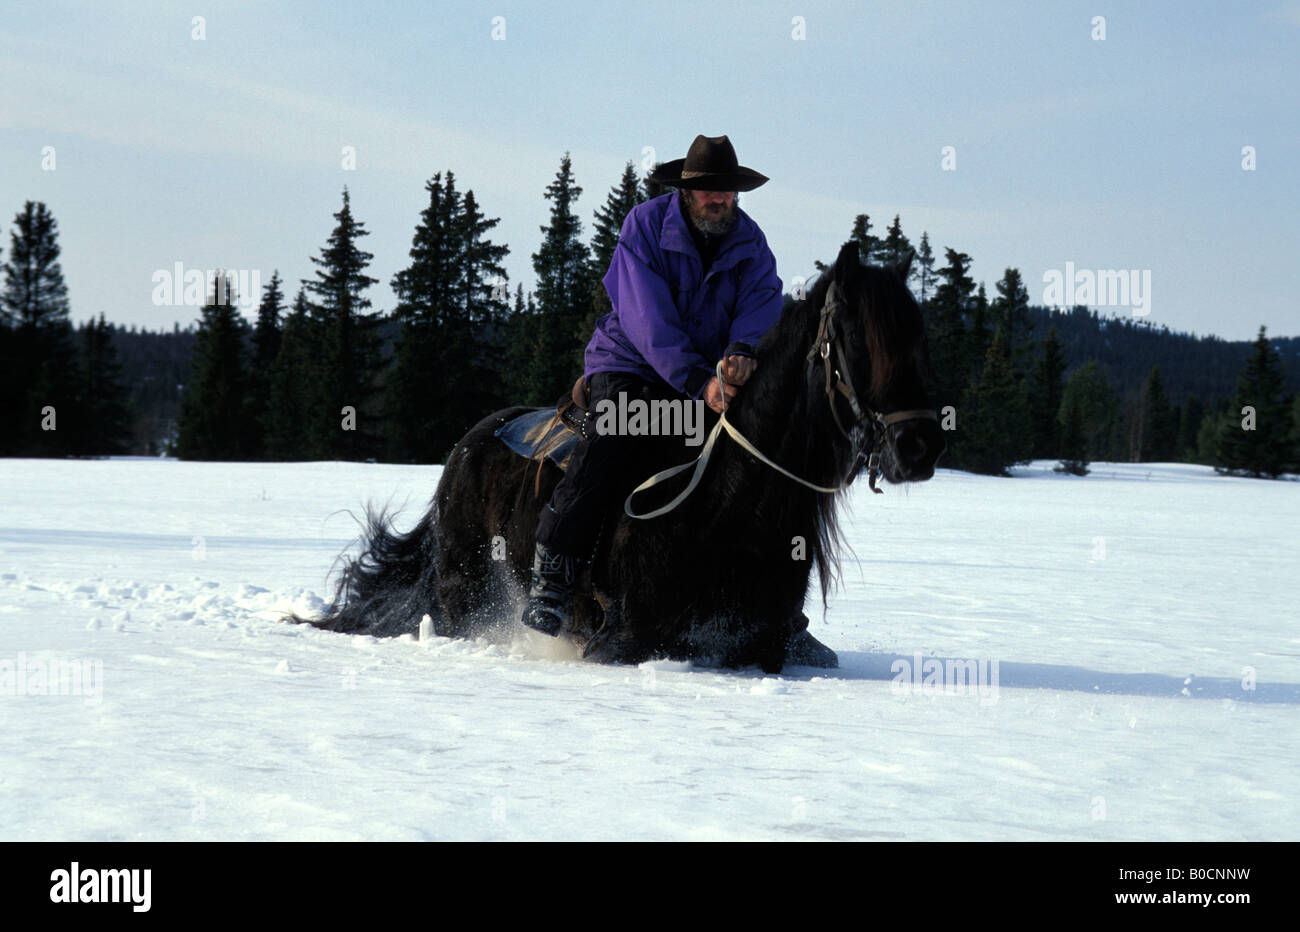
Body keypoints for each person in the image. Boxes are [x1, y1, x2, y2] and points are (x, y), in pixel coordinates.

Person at [522, 134, 784, 636]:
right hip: (631, 366)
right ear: (686, 191)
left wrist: (742, 354)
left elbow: (762, 304)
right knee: (616, 435)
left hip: (709, 379)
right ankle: (553, 575)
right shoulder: (643, 225)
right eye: (710, 191)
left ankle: (769, 605)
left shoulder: (750, 241)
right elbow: (646, 318)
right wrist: (696, 381)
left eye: (728, 191)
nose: (721, 200)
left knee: (756, 466)